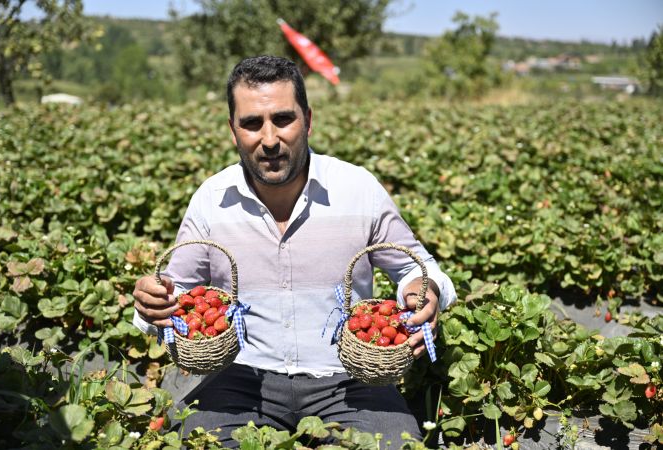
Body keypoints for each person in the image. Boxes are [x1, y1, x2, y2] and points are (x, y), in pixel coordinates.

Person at [132, 55, 456, 447]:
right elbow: (177, 290)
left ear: (308, 120)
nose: (269, 139)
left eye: (283, 119)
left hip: (349, 379)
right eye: (252, 124)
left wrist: (425, 290)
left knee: (396, 444)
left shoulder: (357, 189)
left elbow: (418, 270)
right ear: (234, 131)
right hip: (242, 379)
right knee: (195, 441)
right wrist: (154, 302)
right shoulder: (211, 200)